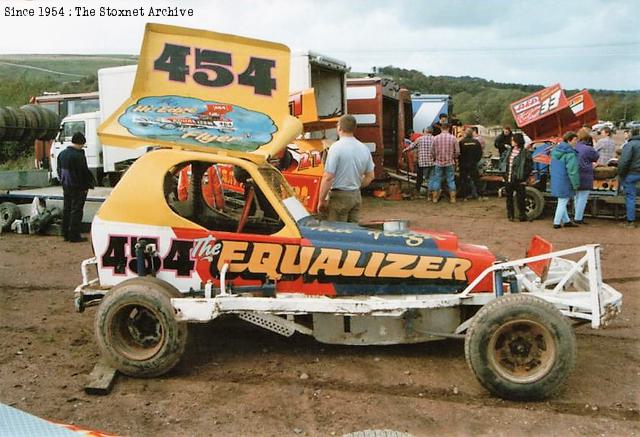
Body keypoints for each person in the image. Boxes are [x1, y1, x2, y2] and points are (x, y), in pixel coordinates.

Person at [318, 114, 375, 222]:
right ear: (354, 129)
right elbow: (370, 176)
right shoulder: (364, 148)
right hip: (356, 196)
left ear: (339, 128)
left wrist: (321, 200)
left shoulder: (336, 148)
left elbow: (328, 177)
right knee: (353, 232)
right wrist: (355, 185)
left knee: (337, 232)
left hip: (339, 197)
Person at [57, 132, 96, 242]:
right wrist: (86, 186)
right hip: (78, 187)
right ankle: (74, 235)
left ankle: (65, 233)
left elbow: (59, 170)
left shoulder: (62, 154)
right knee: (77, 210)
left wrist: (63, 182)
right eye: (83, 144)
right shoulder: (79, 156)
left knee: (67, 209)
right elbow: (83, 173)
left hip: (66, 186)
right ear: (80, 143)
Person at [550, 132, 580, 229]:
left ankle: (566, 221)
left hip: (557, 179)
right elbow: (573, 171)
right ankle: (557, 222)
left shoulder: (555, 151)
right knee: (563, 202)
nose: (576, 142)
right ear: (569, 140)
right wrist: (576, 184)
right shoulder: (570, 154)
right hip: (566, 180)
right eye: (575, 140)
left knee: (562, 200)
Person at [502, 133, 533, 221]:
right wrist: (504, 175)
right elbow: (505, 164)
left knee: (521, 199)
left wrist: (523, 177)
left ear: (517, 141)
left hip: (519, 180)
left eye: (512, 140)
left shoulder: (525, 153)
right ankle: (510, 215)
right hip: (508, 178)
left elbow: (529, 166)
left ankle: (522, 215)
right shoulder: (509, 151)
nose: (511, 142)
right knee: (509, 198)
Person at [574, 128, 599, 224]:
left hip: (575, 174)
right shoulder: (588, 148)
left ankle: (576, 216)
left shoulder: (574, 146)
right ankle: (578, 218)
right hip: (585, 175)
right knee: (582, 198)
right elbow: (596, 157)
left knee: (576, 197)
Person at [428, 123, 459, 203]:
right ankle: (453, 199)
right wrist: (454, 157)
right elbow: (457, 152)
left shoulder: (435, 138)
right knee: (451, 180)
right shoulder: (453, 138)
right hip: (450, 162)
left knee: (437, 180)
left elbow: (431, 151)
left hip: (438, 162)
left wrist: (435, 158)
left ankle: (435, 198)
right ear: (448, 128)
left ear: (441, 129)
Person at [617, 127, 640, 228]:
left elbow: (624, 161)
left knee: (630, 197)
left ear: (631, 134)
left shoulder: (629, 145)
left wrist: (621, 174)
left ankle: (630, 221)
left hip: (632, 173)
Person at [403, 126, 434, 195]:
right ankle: (430, 194)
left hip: (421, 162)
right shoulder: (434, 139)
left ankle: (417, 191)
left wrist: (404, 150)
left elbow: (411, 146)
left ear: (425, 131)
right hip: (431, 162)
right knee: (431, 178)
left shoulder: (420, 139)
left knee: (419, 177)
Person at [458, 128, 483, 200]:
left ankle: (465, 196)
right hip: (473, 163)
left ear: (465, 134)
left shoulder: (462, 142)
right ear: (472, 134)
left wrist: (460, 161)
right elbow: (480, 153)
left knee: (464, 180)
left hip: (463, 164)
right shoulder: (476, 142)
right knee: (476, 179)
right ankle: (480, 195)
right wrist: (476, 161)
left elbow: (459, 153)